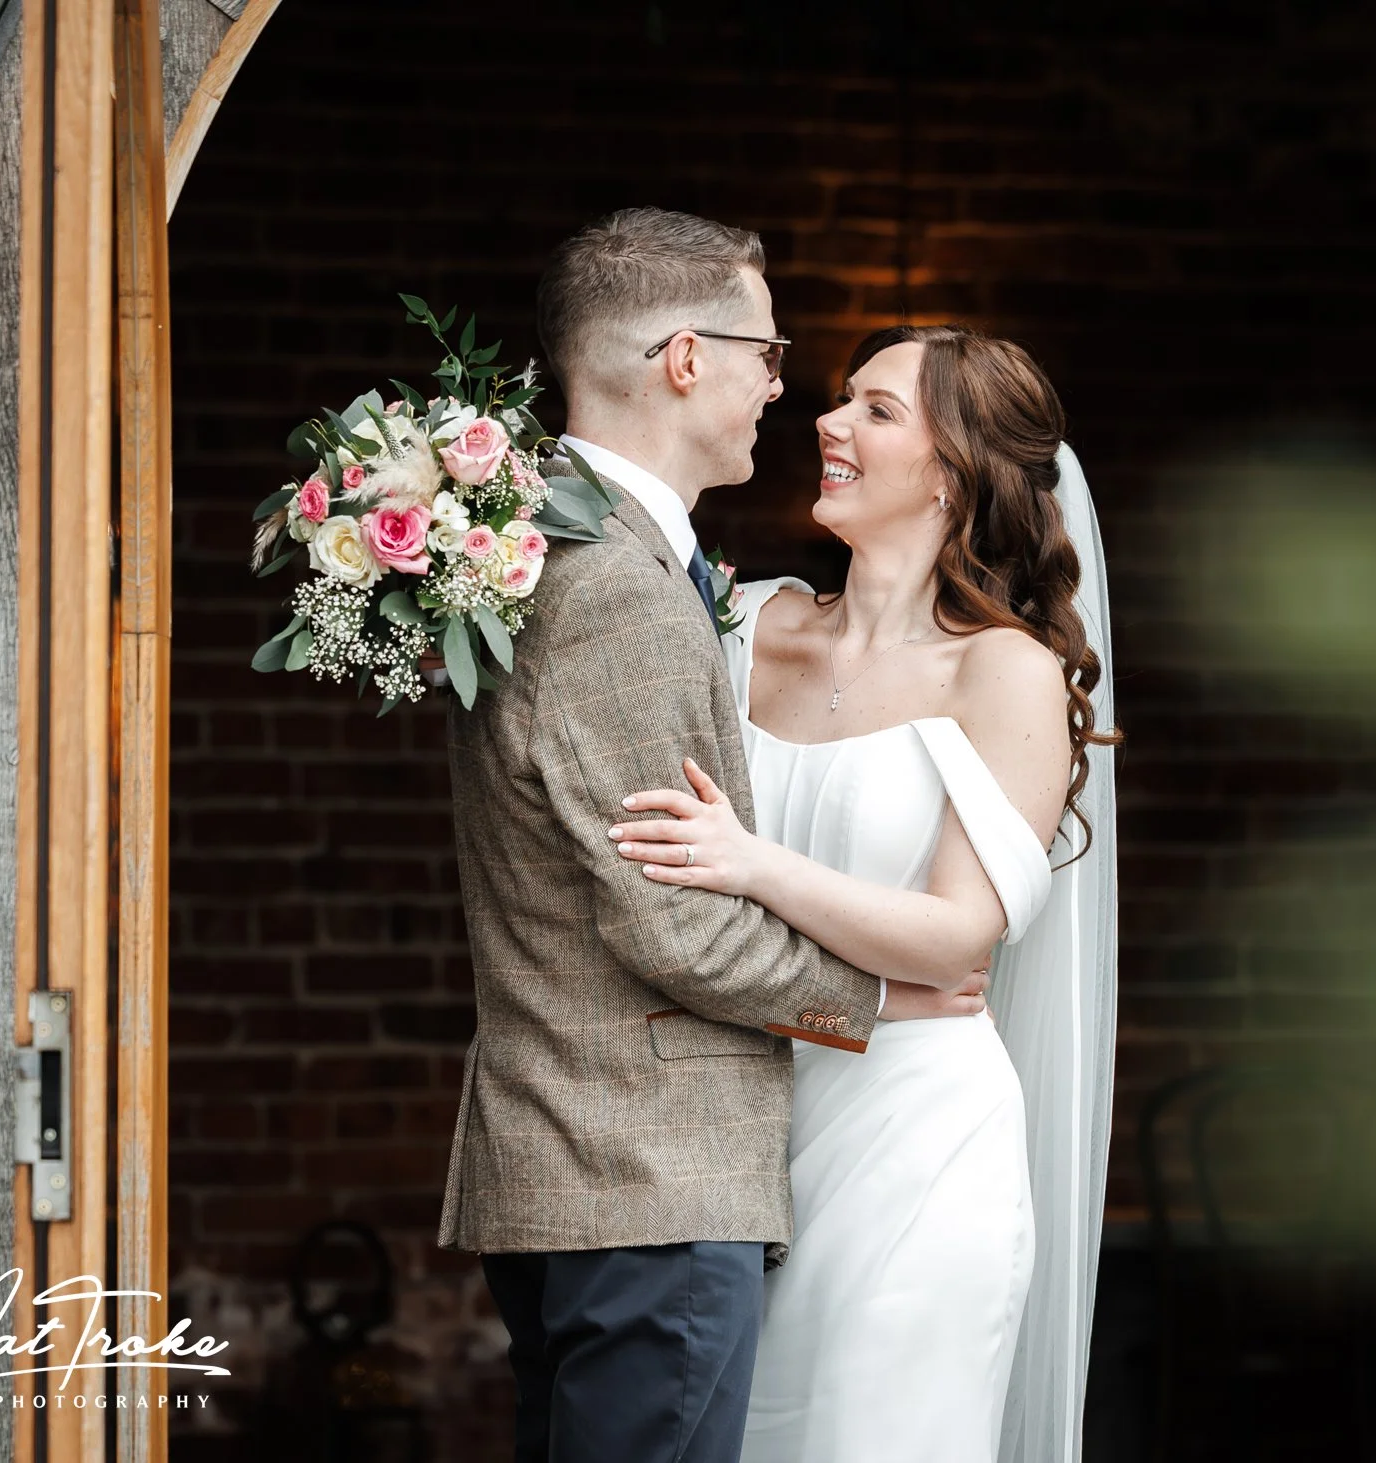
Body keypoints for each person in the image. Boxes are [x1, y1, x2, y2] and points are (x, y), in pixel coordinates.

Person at [439, 209, 986, 1463]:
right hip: (642, 1177)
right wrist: (890, 992)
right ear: (686, 358)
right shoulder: (616, 591)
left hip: (592, 1173)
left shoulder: (562, 552)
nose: (775, 393)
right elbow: (671, 920)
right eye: (767, 354)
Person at [605, 323, 1121, 1463]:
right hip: (733, 1132)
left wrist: (749, 862)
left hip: (914, 1143)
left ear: (953, 470)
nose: (827, 423)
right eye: (841, 399)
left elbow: (953, 939)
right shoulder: (741, 627)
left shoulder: (1002, 671)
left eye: (874, 410)